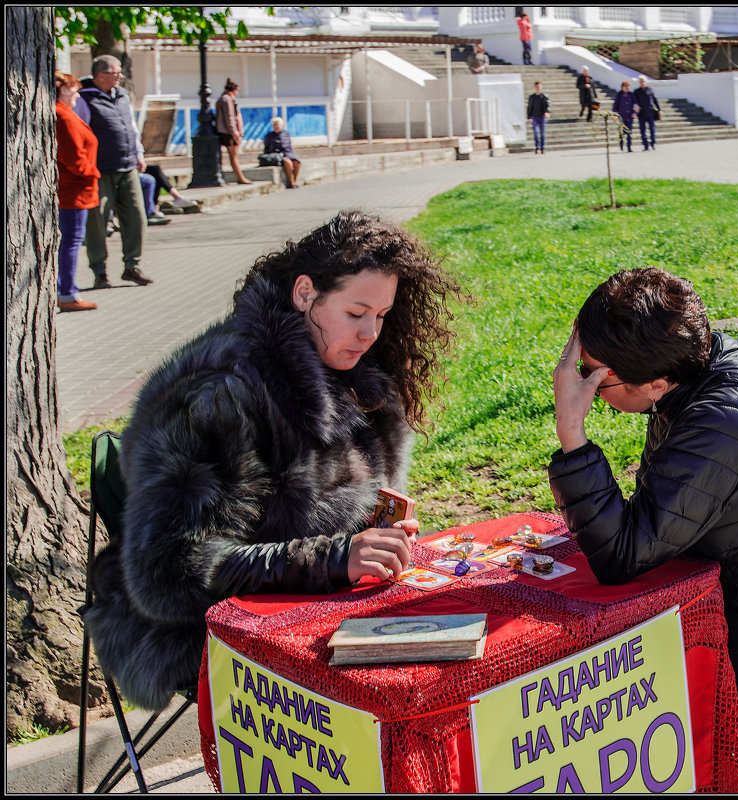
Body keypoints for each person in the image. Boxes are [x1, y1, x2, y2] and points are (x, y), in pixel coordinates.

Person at [82, 210, 466, 711]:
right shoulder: (219, 398)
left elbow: (326, 508)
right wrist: (333, 558)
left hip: (310, 603)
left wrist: (376, 527)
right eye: (356, 313)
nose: (371, 332)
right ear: (305, 293)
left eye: (382, 315)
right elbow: (170, 574)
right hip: (203, 625)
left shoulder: (356, 377)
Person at [549, 267, 738, 701]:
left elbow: (621, 555)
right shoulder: (695, 369)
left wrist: (572, 431)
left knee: (605, 673)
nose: (580, 387)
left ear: (656, 384)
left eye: (594, 381)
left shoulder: (723, 422)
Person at [79, 55, 153, 289]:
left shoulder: (121, 95)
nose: (121, 76)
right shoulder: (84, 98)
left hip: (127, 165)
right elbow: (81, 132)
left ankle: (132, 266)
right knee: (97, 221)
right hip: (99, 170)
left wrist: (138, 153)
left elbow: (131, 126)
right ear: (100, 75)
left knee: (136, 216)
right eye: (116, 72)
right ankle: (99, 271)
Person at [55, 71, 100, 312]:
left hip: (76, 188)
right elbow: (74, 158)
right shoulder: (62, 116)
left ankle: (65, 289)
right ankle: (67, 293)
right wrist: (92, 173)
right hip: (74, 189)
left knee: (70, 241)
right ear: (61, 91)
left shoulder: (64, 113)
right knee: (71, 241)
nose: (77, 94)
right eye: (72, 90)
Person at [215, 78, 251, 185]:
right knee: (234, 156)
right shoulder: (227, 100)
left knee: (233, 156)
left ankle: (240, 176)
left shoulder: (224, 99)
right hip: (228, 132)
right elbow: (229, 117)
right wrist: (235, 132)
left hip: (227, 131)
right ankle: (240, 177)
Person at [262, 117, 302, 189]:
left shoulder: (286, 133)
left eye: (278, 125)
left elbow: (289, 145)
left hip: (288, 153)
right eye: (275, 125)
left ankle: (295, 181)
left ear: (281, 125)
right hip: (277, 155)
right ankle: (291, 182)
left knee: (297, 163)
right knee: (288, 163)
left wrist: (291, 154)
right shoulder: (268, 136)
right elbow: (266, 149)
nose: (276, 126)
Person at [633, 75, 661, 151]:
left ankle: (653, 143)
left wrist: (659, 110)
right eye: (640, 81)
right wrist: (635, 109)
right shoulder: (636, 91)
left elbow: (655, 100)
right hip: (641, 113)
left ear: (645, 82)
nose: (642, 82)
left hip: (650, 112)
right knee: (643, 130)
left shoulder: (650, 90)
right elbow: (634, 101)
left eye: (643, 81)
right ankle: (645, 145)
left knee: (652, 129)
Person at [527, 81, 551, 154]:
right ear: (535, 87)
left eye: (539, 87)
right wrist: (528, 116)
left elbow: (547, 105)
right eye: (537, 87)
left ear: (541, 87)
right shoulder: (532, 97)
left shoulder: (544, 97)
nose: (538, 88)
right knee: (536, 133)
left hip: (541, 116)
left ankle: (543, 148)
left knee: (542, 133)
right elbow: (530, 107)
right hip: (534, 116)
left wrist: (547, 112)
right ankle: (538, 147)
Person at [612, 79, 636, 153]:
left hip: (629, 116)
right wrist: (614, 116)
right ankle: (621, 145)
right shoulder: (619, 94)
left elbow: (636, 104)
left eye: (628, 86)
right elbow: (615, 105)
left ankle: (629, 147)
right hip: (622, 116)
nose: (627, 88)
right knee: (621, 132)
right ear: (622, 87)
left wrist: (635, 112)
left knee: (629, 132)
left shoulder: (631, 94)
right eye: (626, 86)